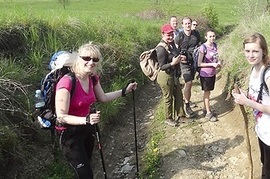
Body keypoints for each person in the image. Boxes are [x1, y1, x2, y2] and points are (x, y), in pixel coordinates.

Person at [55, 42, 137, 179]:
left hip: (87, 130)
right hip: (69, 135)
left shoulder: (92, 78)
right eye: (87, 58)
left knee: (87, 168)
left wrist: (125, 91)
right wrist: (86, 119)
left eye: (95, 59)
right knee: (86, 175)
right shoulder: (67, 82)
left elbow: (103, 97)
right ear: (78, 58)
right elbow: (61, 116)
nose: (91, 62)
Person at [231, 33, 270, 179]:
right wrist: (242, 95)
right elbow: (258, 96)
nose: (250, 55)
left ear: (264, 51)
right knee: (263, 161)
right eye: (247, 51)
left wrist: (247, 102)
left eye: (255, 51)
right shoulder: (254, 70)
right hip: (262, 127)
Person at [156, 24, 188, 126]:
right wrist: (173, 63)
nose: (170, 37)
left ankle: (181, 116)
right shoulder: (161, 48)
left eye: (171, 34)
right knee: (168, 98)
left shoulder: (172, 43)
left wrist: (180, 57)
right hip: (165, 76)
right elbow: (161, 66)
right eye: (168, 35)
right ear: (162, 34)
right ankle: (168, 118)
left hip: (174, 75)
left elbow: (174, 55)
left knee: (178, 95)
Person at [174, 17, 201, 118]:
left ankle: (186, 101)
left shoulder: (196, 34)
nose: (188, 25)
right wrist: (180, 58)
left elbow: (199, 46)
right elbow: (175, 50)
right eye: (185, 24)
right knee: (188, 83)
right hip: (184, 63)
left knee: (190, 83)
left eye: (189, 23)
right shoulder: (179, 36)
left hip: (193, 62)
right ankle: (187, 105)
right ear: (182, 25)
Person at [197, 29, 221, 122]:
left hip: (212, 73)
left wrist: (217, 63)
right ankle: (208, 113)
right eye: (210, 36)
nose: (212, 38)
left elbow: (215, 57)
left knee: (209, 92)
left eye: (213, 36)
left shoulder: (215, 45)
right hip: (205, 74)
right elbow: (199, 64)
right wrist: (212, 65)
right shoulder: (203, 48)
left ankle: (205, 108)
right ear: (206, 37)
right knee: (207, 92)